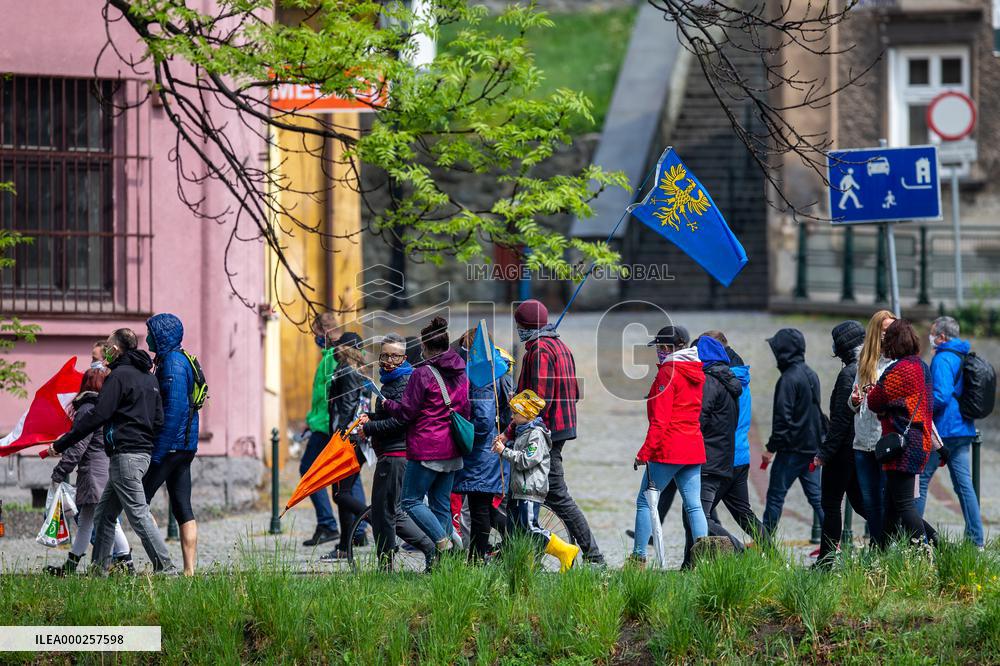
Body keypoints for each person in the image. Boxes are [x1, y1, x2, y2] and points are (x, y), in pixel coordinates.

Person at [47, 328, 177, 574]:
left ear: (116, 349)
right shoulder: (149, 378)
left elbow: (98, 415)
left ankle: (167, 569)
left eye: (108, 346)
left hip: (125, 456)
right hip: (141, 454)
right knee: (104, 517)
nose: (105, 351)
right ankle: (98, 571)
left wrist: (61, 443)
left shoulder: (117, 377)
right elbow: (159, 420)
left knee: (138, 515)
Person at [495, 299, 605, 566]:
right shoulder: (560, 345)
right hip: (561, 427)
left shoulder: (540, 350)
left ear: (524, 326)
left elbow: (536, 402)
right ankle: (517, 552)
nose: (517, 330)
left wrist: (510, 431)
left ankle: (593, 556)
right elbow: (574, 393)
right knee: (518, 493)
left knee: (555, 493)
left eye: (519, 325)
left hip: (545, 433)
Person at [384, 316, 471, 555]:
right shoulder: (462, 372)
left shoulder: (422, 374)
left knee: (409, 501)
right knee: (441, 505)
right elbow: (465, 410)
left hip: (427, 449)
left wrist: (387, 404)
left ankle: (442, 541)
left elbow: (405, 413)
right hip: (453, 449)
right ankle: (448, 564)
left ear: (425, 347)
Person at [628, 325, 710, 568]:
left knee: (645, 501)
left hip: (669, 447)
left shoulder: (668, 372)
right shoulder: (695, 369)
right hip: (693, 446)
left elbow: (661, 420)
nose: (659, 353)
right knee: (694, 505)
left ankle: (638, 558)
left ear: (666, 348)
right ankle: (704, 560)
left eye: (660, 348)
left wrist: (644, 452)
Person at [357, 333, 436, 570]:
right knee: (386, 511)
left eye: (395, 356)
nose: (389, 360)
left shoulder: (404, 383)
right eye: (385, 355)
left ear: (404, 357)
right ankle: (388, 563)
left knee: (390, 512)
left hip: (396, 455)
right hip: (392, 454)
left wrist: (369, 428)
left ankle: (431, 548)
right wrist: (369, 417)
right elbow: (389, 415)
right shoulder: (392, 382)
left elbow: (401, 422)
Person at [45, 369, 133, 576]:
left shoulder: (87, 410)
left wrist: (60, 472)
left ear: (85, 385)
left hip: (94, 474)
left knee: (107, 520)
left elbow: (78, 446)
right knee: (86, 521)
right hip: (104, 471)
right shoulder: (109, 408)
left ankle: (127, 563)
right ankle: (71, 566)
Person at [491, 389, 579, 572]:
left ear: (527, 414)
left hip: (529, 490)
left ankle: (565, 550)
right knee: (516, 532)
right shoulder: (522, 432)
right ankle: (526, 567)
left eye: (516, 413)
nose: (512, 417)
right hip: (518, 490)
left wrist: (504, 451)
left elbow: (526, 460)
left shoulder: (536, 434)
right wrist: (505, 441)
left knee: (530, 528)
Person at [866, 320, 934, 546]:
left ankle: (927, 551)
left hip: (902, 445)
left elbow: (875, 401)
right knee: (892, 505)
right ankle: (880, 553)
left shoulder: (900, 370)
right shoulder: (922, 366)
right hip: (919, 440)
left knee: (904, 504)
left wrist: (882, 404)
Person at [918, 316, 984, 548]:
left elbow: (941, 395)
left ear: (942, 337)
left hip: (944, 430)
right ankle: (976, 540)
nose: (931, 336)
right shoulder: (962, 354)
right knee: (964, 485)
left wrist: (921, 406)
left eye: (933, 332)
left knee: (921, 479)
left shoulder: (943, 358)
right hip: (963, 427)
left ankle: (915, 538)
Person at [142, 313, 200, 576]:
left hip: (171, 447)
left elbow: (174, 410)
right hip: (185, 447)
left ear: (162, 335)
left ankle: (161, 563)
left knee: (138, 502)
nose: (147, 337)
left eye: (151, 333)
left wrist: (157, 453)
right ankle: (189, 572)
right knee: (182, 506)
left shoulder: (173, 364)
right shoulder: (177, 359)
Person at [679, 335, 742, 566]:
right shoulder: (729, 384)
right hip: (722, 458)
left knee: (697, 516)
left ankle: (737, 548)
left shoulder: (708, 382)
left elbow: (698, 419)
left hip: (708, 460)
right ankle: (689, 565)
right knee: (692, 515)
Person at [453, 328, 514, 562]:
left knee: (479, 508)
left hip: (482, 452)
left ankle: (476, 560)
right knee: (486, 507)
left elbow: (483, 418)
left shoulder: (481, 377)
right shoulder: (499, 371)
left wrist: (466, 436)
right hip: (493, 448)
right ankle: (516, 544)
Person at [813, 321, 868, 565]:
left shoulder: (849, 373)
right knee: (861, 503)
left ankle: (826, 561)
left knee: (831, 504)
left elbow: (840, 420)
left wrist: (824, 453)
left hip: (843, 450)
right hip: (858, 447)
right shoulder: (867, 367)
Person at [761, 328, 825, 536]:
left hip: (791, 449)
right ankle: (835, 540)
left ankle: (765, 543)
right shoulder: (810, 374)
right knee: (817, 497)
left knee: (775, 497)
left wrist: (771, 449)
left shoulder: (788, 379)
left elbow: (782, 420)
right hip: (812, 447)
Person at [320, 331, 372, 562]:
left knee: (342, 493)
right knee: (343, 492)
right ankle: (345, 545)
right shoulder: (357, 371)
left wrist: (338, 439)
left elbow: (348, 408)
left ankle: (374, 519)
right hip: (355, 441)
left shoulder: (348, 371)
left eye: (339, 345)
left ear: (346, 347)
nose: (335, 349)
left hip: (348, 441)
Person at [849, 309, 896, 548]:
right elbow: (853, 400)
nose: (888, 335)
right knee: (870, 502)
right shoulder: (864, 361)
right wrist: (855, 400)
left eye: (892, 330)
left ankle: (893, 548)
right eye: (885, 331)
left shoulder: (898, 363)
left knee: (891, 500)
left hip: (887, 440)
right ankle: (878, 549)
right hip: (863, 440)